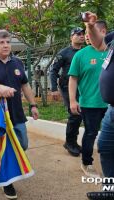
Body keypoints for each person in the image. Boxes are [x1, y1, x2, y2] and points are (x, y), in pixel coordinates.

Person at [0, 29, 39, 200]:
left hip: (17, 113)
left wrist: (33, 105)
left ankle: (13, 169)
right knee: (2, 149)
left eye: (8, 42)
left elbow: (25, 85)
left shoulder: (17, 62)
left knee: (23, 144)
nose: (6, 45)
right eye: (1, 42)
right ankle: (7, 183)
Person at [68, 21, 108, 178]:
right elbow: (73, 79)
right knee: (91, 133)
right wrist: (72, 100)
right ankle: (87, 162)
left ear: (103, 32)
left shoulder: (111, 51)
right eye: (86, 32)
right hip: (90, 103)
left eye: (91, 31)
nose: (87, 35)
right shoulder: (81, 55)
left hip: (110, 104)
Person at [85, 12, 114, 180]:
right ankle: (110, 189)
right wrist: (90, 26)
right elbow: (98, 44)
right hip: (111, 110)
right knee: (105, 147)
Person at [50, 27, 85, 157]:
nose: (81, 36)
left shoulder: (86, 51)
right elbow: (53, 70)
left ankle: (73, 142)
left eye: (83, 34)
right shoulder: (64, 53)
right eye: (78, 34)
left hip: (83, 88)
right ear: (71, 37)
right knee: (74, 114)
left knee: (80, 115)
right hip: (66, 87)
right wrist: (53, 89)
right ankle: (70, 143)